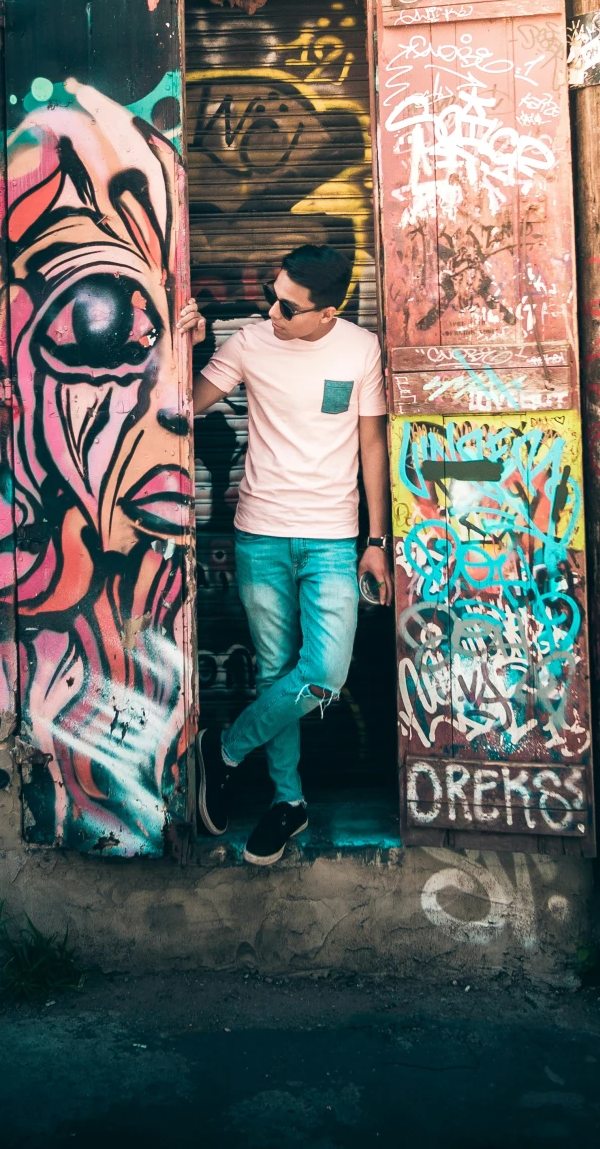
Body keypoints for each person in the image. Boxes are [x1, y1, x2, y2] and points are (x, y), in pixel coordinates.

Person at [177, 243, 389, 865]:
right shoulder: (248, 342)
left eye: (288, 306)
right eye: (273, 295)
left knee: (322, 676)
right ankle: (288, 803)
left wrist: (375, 542)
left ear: (328, 312)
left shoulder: (358, 349)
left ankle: (223, 749)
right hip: (260, 535)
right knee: (275, 674)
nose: (272, 311)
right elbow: (183, 407)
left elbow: (372, 445)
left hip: (330, 538)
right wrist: (178, 347)